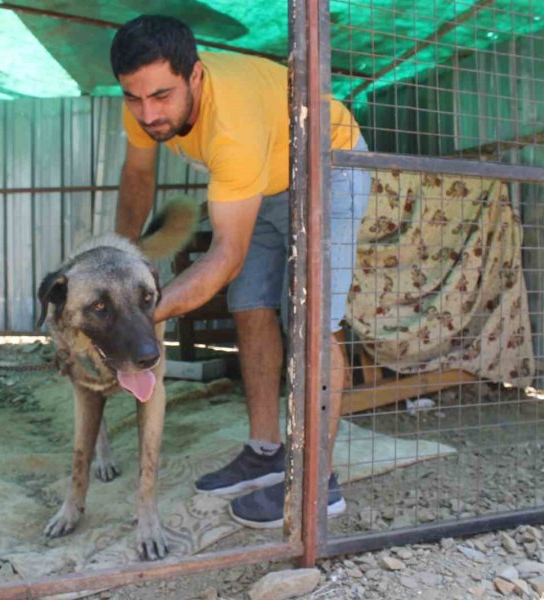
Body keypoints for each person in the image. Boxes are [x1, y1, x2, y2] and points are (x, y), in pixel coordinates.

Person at [110, 15, 371, 528]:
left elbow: (225, 256)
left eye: (162, 96)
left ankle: (316, 483)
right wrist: (122, 259)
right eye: (134, 98)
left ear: (196, 78)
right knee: (250, 307)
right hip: (265, 177)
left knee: (314, 323)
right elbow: (138, 176)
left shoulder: (231, 125)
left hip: (329, 166)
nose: (148, 113)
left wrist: (136, 318)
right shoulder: (140, 105)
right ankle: (266, 450)